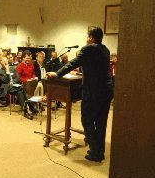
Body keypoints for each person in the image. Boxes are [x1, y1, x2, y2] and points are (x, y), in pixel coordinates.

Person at [47, 27, 114, 163]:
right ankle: (100, 152)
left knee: (87, 120)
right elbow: (95, 68)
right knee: (101, 123)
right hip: (106, 91)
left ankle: (95, 152)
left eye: (87, 36)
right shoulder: (105, 50)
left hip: (93, 92)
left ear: (90, 37)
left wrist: (57, 74)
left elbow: (73, 63)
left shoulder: (88, 49)